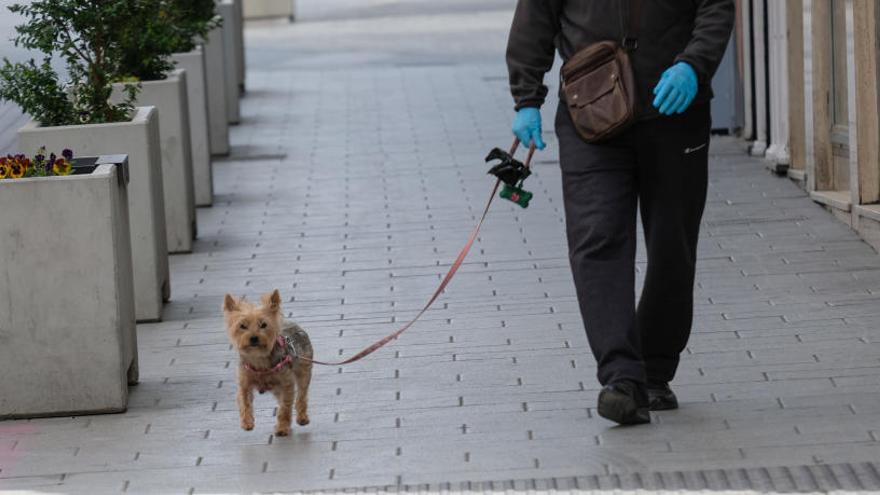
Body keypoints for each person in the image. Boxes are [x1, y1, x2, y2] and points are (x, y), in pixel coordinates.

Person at [506, 0, 735, 426]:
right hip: (591, 111)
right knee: (597, 239)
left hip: (674, 111)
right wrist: (526, 97)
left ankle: (654, 367)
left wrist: (694, 64)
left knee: (673, 244)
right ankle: (622, 379)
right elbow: (535, 14)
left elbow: (716, 7)